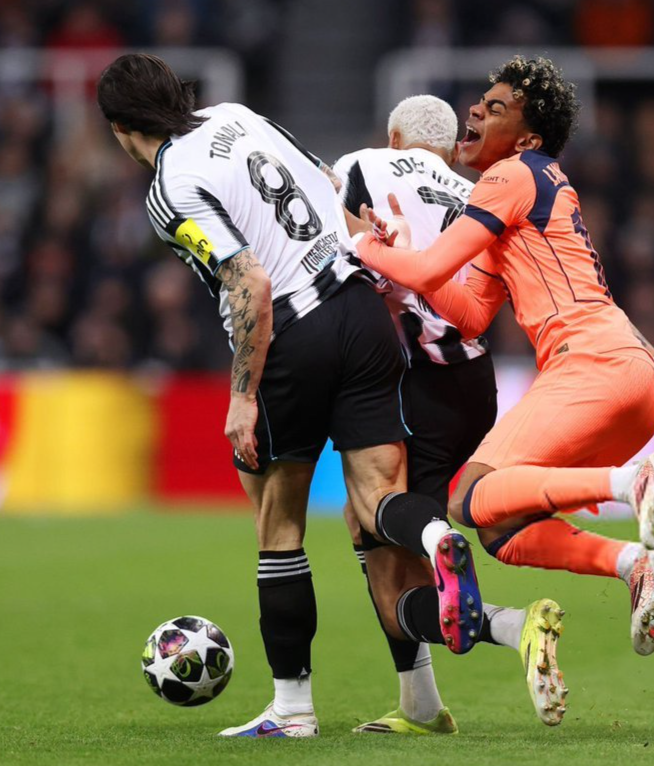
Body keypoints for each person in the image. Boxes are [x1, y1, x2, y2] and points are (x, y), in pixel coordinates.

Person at [96, 54, 515, 740]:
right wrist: (363, 232)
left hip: (294, 333)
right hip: (362, 311)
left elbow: (249, 282)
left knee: (278, 524)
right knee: (376, 502)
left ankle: (292, 709)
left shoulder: (169, 187)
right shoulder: (237, 116)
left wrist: (243, 395)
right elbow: (326, 181)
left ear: (119, 127)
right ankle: (435, 551)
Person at [354, 55, 654, 660]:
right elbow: (470, 314)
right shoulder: (528, 191)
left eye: (495, 107)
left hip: (590, 370)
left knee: (467, 497)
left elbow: (425, 270)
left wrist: (364, 244)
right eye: (482, 101)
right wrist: (402, 257)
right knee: (501, 527)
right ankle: (632, 563)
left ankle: (629, 482)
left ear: (527, 139)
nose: (475, 110)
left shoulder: (511, 176)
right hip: (628, 379)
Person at [334, 95, 565, 733]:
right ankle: (423, 704)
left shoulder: (361, 166)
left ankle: (503, 629)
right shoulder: (473, 192)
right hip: (475, 381)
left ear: (394, 136)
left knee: (379, 529)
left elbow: (332, 247)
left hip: (411, 378)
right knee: (380, 529)